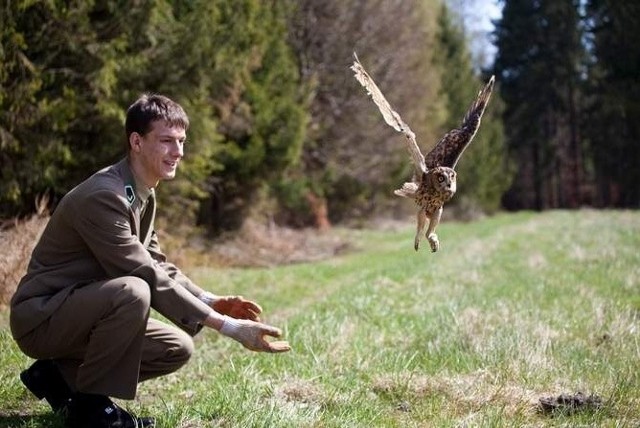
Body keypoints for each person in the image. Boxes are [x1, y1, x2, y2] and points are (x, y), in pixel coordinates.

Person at [9, 94, 291, 428]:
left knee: (177, 347)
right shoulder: (105, 195)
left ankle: (56, 376)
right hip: (42, 318)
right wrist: (229, 328)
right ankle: (91, 410)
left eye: (182, 142)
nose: (178, 152)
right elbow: (141, 271)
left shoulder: (143, 192)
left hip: (81, 313)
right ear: (137, 142)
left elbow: (157, 262)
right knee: (133, 292)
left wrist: (212, 301)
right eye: (167, 141)